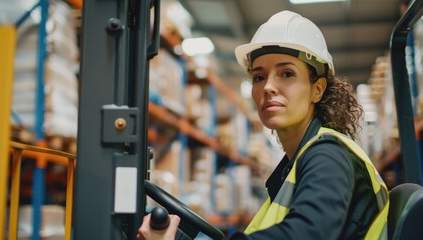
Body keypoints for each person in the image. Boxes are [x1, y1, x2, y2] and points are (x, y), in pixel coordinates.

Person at [137, 10, 389, 240]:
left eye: (287, 73)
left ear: (317, 89)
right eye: (259, 77)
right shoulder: (291, 169)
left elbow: (308, 234)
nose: (267, 87)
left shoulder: (328, 155)